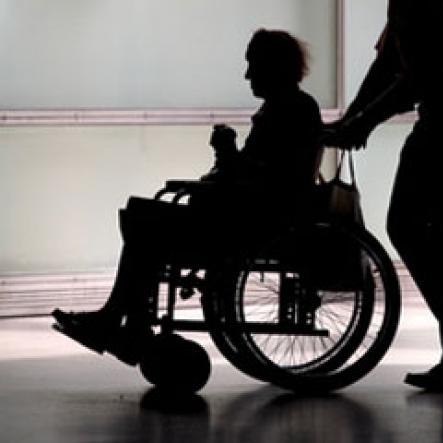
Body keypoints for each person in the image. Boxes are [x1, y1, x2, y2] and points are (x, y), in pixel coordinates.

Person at [52, 29, 322, 366]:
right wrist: (226, 160)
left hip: (256, 224)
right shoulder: (286, 108)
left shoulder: (291, 110)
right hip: (250, 214)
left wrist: (228, 154)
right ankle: (127, 325)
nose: (247, 75)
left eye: (253, 65)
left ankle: (121, 323)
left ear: (272, 67)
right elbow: (254, 173)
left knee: (145, 226)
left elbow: (270, 178)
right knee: (141, 217)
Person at [324, 0, 443, 391]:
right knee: (417, 230)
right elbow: (388, 66)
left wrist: (362, 121)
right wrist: (355, 118)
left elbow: (427, 76)